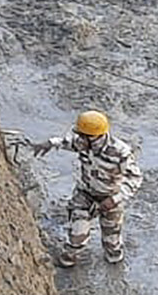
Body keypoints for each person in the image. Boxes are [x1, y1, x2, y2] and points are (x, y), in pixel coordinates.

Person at [31, 110, 142, 266]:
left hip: (111, 199)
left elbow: (135, 178)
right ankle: (67, 260)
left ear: (93, 137)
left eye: (82, 136)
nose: (79, 139)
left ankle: (115, 268)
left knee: (112, 246)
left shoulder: (120, 152)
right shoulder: (83, 143)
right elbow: (66, 142)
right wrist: (50, 143)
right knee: (77, 236)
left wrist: (114, 199)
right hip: (85, 195)